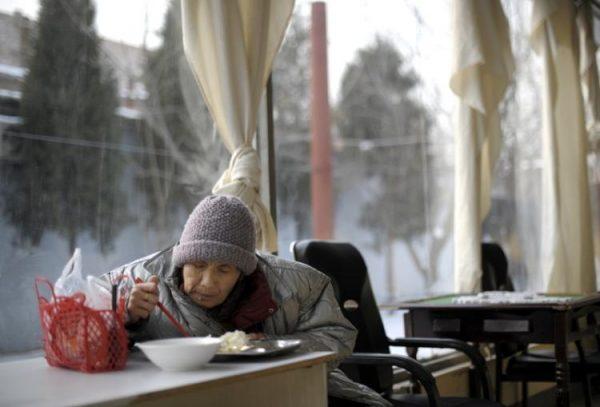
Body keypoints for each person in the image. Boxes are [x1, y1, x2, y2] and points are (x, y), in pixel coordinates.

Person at [109, 195, 391, 407]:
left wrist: (271, 348)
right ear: (181, 260)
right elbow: (79, 333)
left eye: (223, 270)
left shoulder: (299, 284)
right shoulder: (135, 280)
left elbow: (337, 335)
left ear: (244, 270)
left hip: (296, 393)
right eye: (197, 265)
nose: (207, 282)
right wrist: (127, 318)